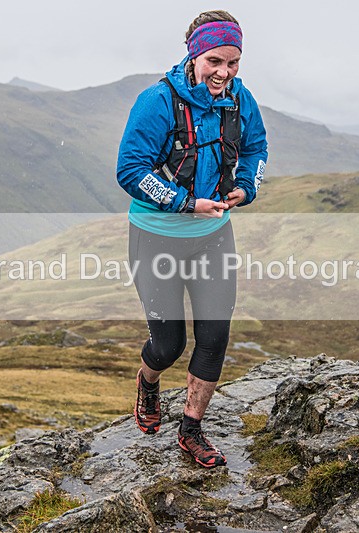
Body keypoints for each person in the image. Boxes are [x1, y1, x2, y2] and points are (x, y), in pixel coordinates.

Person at [117, 10, 267, 468]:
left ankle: (191, 430)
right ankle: (148, 381)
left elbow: (257, 149)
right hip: (156, 236)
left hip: (213, 236)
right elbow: (130, 170)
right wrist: (184, 203)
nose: (224, 72)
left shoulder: (241, 102)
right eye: (215, 61)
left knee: (215, 336)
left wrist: (247, 185)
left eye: (234, 62)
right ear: (194, 55)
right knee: (168, 345)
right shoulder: (156, 102)